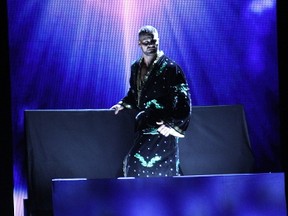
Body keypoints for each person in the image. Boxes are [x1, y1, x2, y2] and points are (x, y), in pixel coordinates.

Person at [111, 25, 191, 177]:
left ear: (158, 40)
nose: (150, 45)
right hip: (144, 126)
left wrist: (173, 124)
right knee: (134, 164)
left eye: (153, 41)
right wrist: (123, 104)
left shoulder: (171, 68)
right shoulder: (136, 67)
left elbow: (183, 99)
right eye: (145, 42)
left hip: (163, 129)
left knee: (166, 173)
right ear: (139, 43)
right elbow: (135, 93)